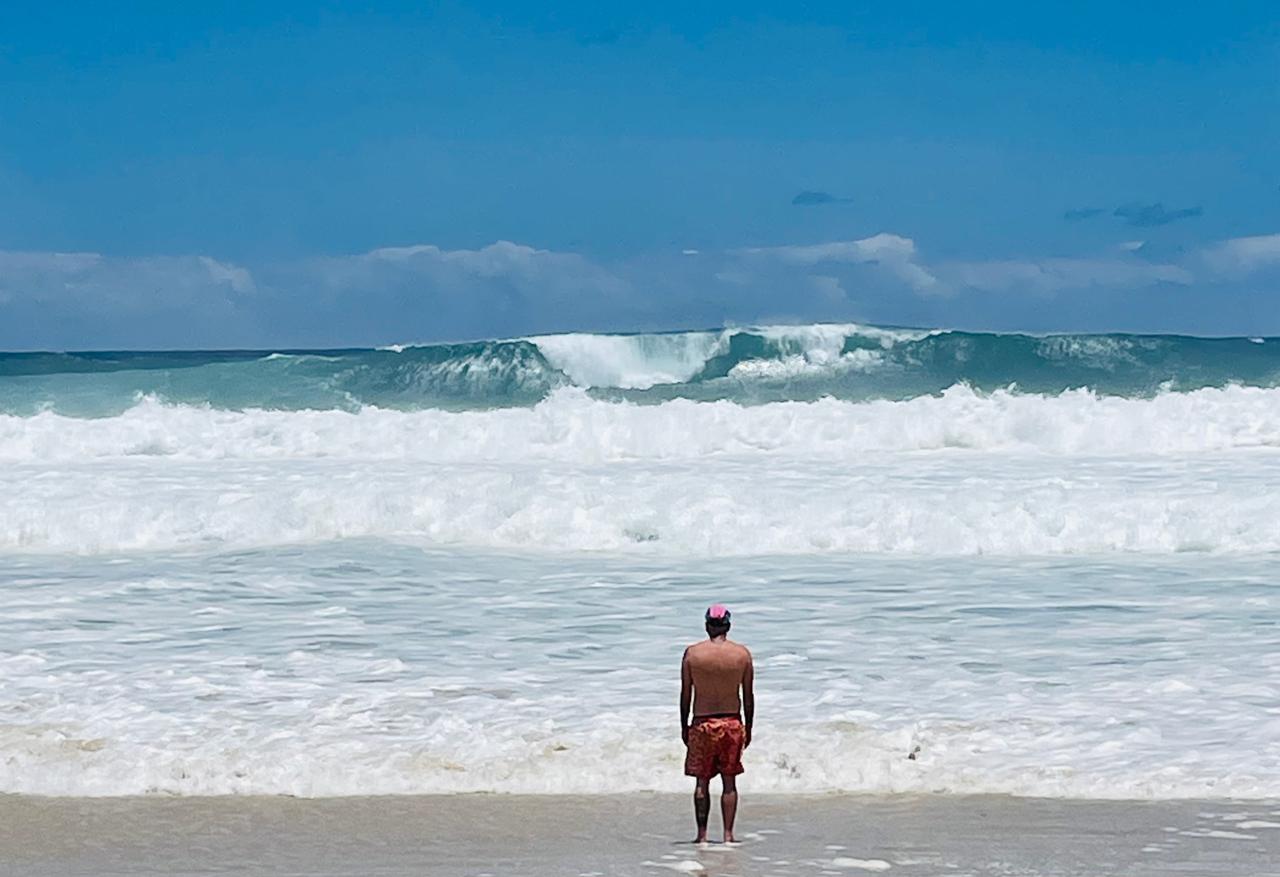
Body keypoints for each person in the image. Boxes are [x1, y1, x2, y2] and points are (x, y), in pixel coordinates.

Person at [679, 604, 754, 844]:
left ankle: (701, 836)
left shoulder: (693, 654)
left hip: (702, 723)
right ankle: (728, 835)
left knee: (702, 781)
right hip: (732, 722)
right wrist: (749, 727)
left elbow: (685, 695)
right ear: (728, 626)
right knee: (729, 782)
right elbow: (748, 696)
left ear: (706, 625)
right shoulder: (742, 654)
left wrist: (684, 726)